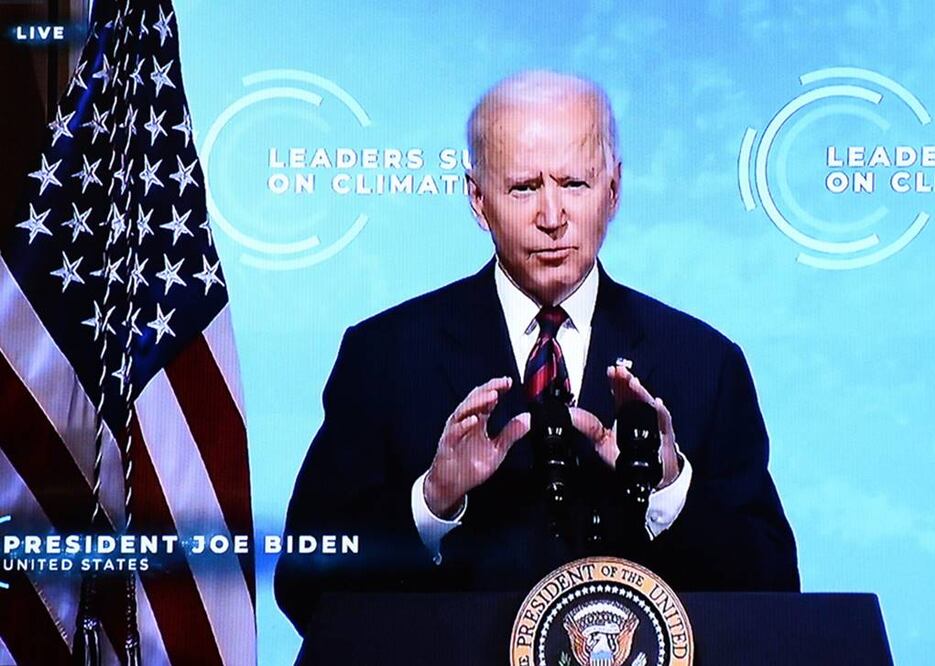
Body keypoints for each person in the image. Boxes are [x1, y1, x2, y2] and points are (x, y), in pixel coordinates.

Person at [274, 70, 799, 636]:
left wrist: (669, 488)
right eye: (525, 187)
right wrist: (431, 502)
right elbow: (304, 587)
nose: (552, 218)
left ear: (614, 190)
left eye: (574, 184)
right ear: (478, 199)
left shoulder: (705, 363)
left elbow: (773, 592)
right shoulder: (385, 356)